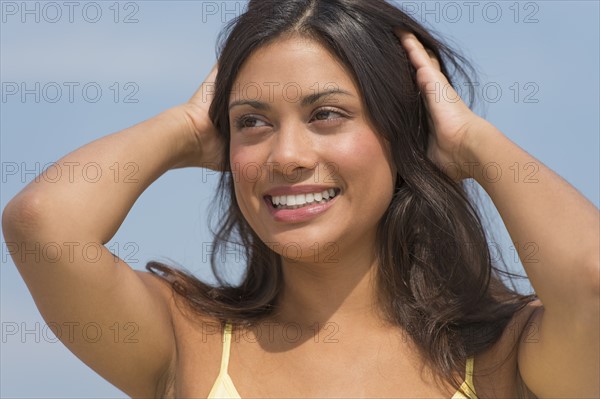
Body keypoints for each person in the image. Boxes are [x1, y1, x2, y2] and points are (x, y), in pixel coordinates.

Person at [2, 0, 598, 398]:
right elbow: (41, 226)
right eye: (253, 123)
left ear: (405, 135)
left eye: (327, 114)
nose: (285, 156)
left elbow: (591, 279)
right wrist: (185, 125)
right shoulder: (187, 342)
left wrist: (471, 142)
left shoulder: (504, 356)